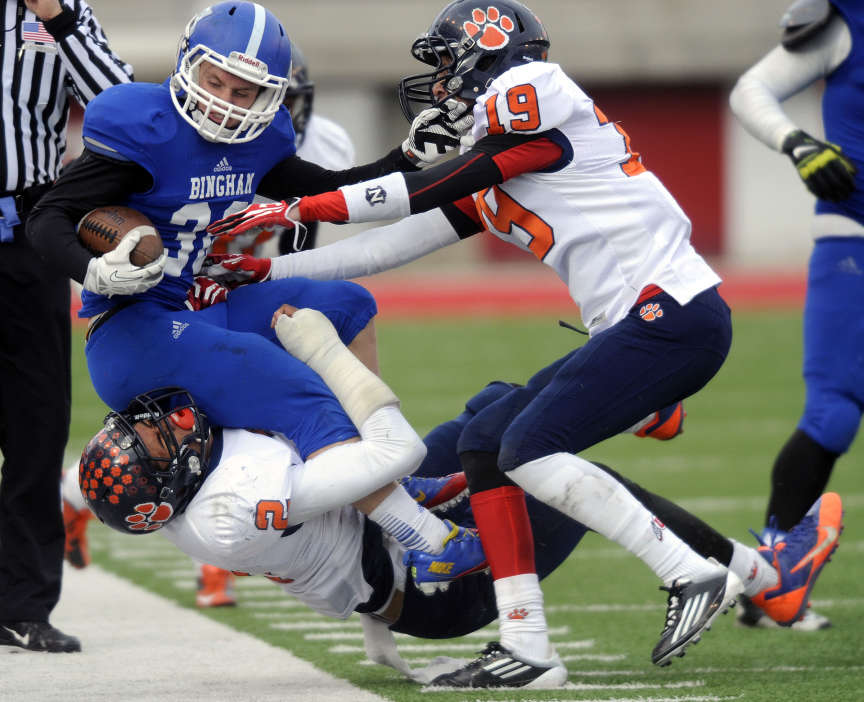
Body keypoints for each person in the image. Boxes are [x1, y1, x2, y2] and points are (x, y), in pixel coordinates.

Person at [204, 0, 844, 685]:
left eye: (448, 64)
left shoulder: (534, 90)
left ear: (490, 53)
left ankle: (690, 571)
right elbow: (388, 245)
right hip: (637, 326)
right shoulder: (503, 157)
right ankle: (529, 644)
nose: (440, 83)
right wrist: (266, 270)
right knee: (487, 443)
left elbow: (426, 187)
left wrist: (299, 206)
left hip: (671, 312)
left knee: (528, 449)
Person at [76, 305, 842, 687]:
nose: (165, 424)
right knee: (554, 466)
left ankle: (639, 402)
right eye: (155, 444)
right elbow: (393, 456)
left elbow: (95, 484)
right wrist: (323, 350)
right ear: (167, 488)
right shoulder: (233, 507)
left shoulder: (185, 490)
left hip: (383, 543)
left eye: (144, 428)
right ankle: (762, 576)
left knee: (497, 411)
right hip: (433, 586)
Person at [0, 0, 132, 653]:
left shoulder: (62, 12)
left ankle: (22, 607)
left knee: (36, 426)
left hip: (26, 235)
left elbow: (123, 105)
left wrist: (57, 17)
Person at [729, 0, 860, 631]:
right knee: (833, 411)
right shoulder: (846, 21)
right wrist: (799, 143)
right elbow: (751, 91)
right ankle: (772, 578)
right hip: (854, 237)